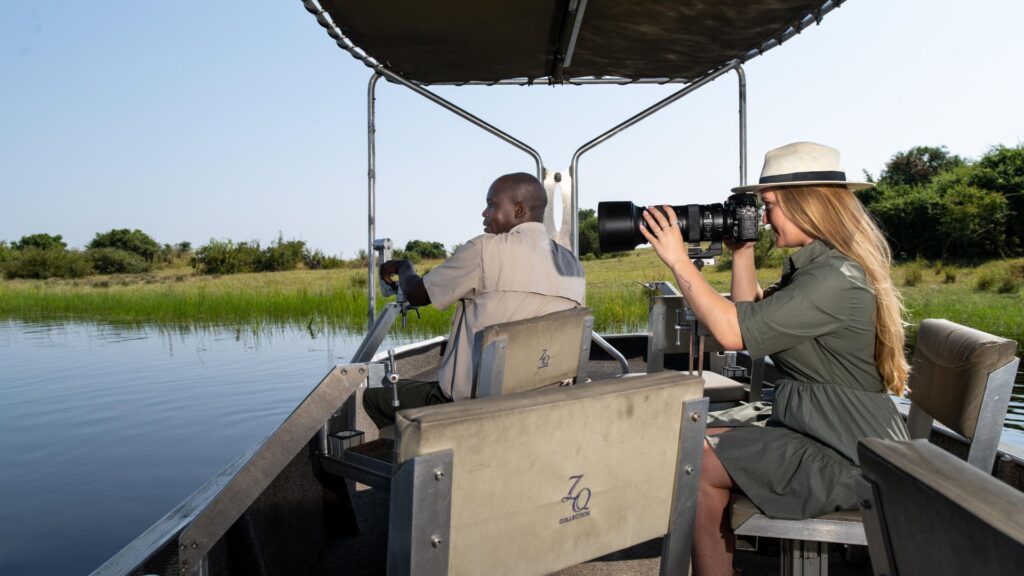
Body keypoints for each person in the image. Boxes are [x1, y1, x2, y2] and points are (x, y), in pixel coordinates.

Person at [639, 142, 910, 576]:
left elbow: (732, 332)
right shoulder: (820, 267)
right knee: (691, 438)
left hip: (850, 454)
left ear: (807, 205)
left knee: (698, 463)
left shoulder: (833, 278)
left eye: (770, 206)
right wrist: (741, 252)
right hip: (822, 428)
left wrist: (678, 261)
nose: (764, 219)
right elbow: (748, 317)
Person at [363, 172, 585, 430]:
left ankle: (410, 452)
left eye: (492, 204)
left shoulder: (484, 250)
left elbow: (418, 295)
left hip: (471, 409)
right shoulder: (572, 265)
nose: (484, 213)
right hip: (541, 403)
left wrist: (404, 267)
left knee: (373, 396)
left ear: (519, 209)